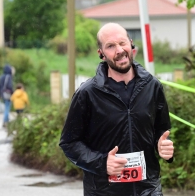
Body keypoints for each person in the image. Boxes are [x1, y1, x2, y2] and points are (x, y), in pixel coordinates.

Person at [59, 23, 174, 196]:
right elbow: (69, 143)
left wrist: (162, 146)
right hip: (104, 191)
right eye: (110, 46)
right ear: (101, 54)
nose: (119, 50)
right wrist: (102, 163)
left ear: (131, 44)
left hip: (148, 189)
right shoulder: (88, 93)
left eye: (122, 43)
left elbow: (161, 130)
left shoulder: (152, 86)